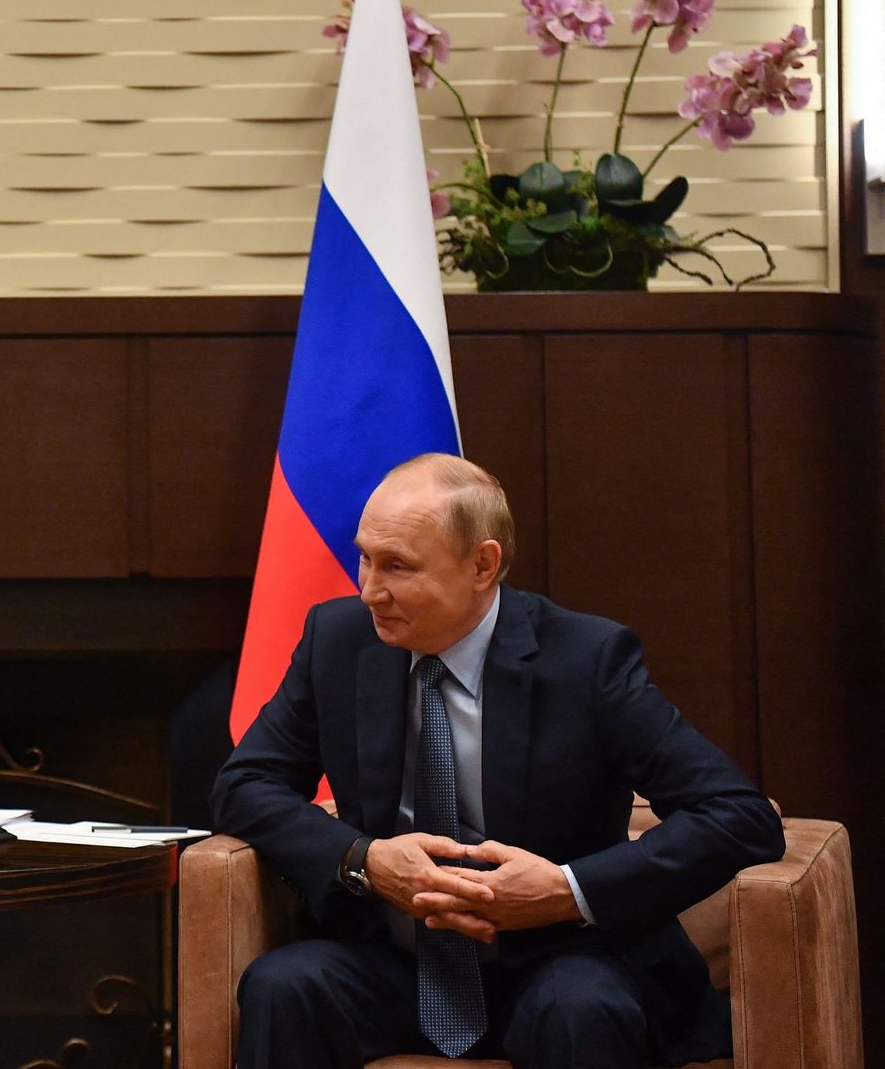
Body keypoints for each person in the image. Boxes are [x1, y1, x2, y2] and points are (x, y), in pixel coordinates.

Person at [212, 453, 785, 1069]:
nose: (370, 590)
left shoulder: (586, 660)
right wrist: (365, 860)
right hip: (397, 962)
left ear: (482, 565)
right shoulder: (339, 640)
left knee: (580, 1006)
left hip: (559, 958)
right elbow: (244, 784)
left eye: (398, 566)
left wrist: (565, 890)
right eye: (365, 558)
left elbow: (740, 817)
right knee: (284, 985)